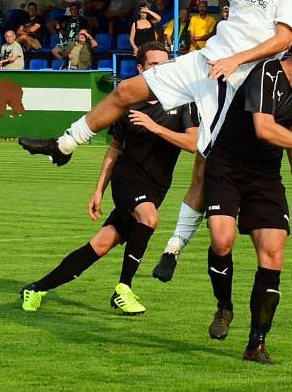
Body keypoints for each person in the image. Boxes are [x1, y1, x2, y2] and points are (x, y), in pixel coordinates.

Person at [18, 0, 292, 284]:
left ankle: (174, 245)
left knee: (205, 160)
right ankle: (63, 145)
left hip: (240, 82)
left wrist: (235, 59)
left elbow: (284, 39)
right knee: (126, 90)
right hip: (204, 62)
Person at [20, 42, 199, 314]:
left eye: (165, 65)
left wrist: (155, 127)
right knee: (149, 219)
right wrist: (99, 190)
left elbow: (193, 143)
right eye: (154, 65)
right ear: (141, 69)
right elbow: (114, 151)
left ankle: (36, 288)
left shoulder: (183, 102)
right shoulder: (127, 103)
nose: (161, 70)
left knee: (100, 245)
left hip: (158, 186)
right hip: (128, 178)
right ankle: (123, 289)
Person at [201, 29, 292, 364]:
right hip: (227, 167)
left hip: (264, 176)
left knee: (273, 254)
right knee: (222, 241)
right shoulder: (265, 73)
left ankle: (256, 345)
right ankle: (224, 306)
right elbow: (264, 128)